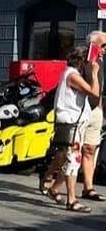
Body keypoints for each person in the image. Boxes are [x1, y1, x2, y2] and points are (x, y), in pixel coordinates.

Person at [42, 47, 101, 213]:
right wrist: (94, 73)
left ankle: (54, 187)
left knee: (68, 159)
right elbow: (94, 92)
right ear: (82, 62)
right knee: (73, 160)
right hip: (71, 123)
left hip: (73, 123)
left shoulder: (70, 73)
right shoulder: (73, 75)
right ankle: (72, 200)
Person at [79, 31, 106, 202]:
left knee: (90, 148)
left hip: (96, 109)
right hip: (81, 108)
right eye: (103, 45)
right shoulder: (81, 59)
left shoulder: (103, 60)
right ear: (93, 45)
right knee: (71, 149)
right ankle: (52, 179)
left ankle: (88, 188)